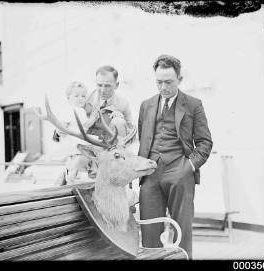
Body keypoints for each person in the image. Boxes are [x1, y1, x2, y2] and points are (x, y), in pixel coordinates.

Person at [137, 54, 213, 259]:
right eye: (158, 82)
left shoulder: (193, 104)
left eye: (168, 82)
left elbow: (205, 143)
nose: (163, 87)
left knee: (182, 229)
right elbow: (144, 140)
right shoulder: (146, 105)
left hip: (180, 172)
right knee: (149, 229)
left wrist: (189, 166)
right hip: (150, 175)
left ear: (180, 79)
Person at [54, 81, 98, 185]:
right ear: (69, 98)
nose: (80, 98)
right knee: (75, 168)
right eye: (76, 96)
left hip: (82, 148)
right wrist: (60, 130)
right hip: (75, 150)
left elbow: (86, 127)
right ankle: (69, 179)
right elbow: (61, 126)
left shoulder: (81, 111)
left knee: (93, 160)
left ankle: (75, 177)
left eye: (83, 96)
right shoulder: (69, 110)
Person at [85, 65, 134, 139]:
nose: (102, 90)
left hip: (111, 144)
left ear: (116, 85)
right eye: (99, 85)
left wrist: (122, 119)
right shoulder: (85, 99)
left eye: (107, 86)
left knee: (119, 122)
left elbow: (131, 131)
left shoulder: (123, 103)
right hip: (89, 141)